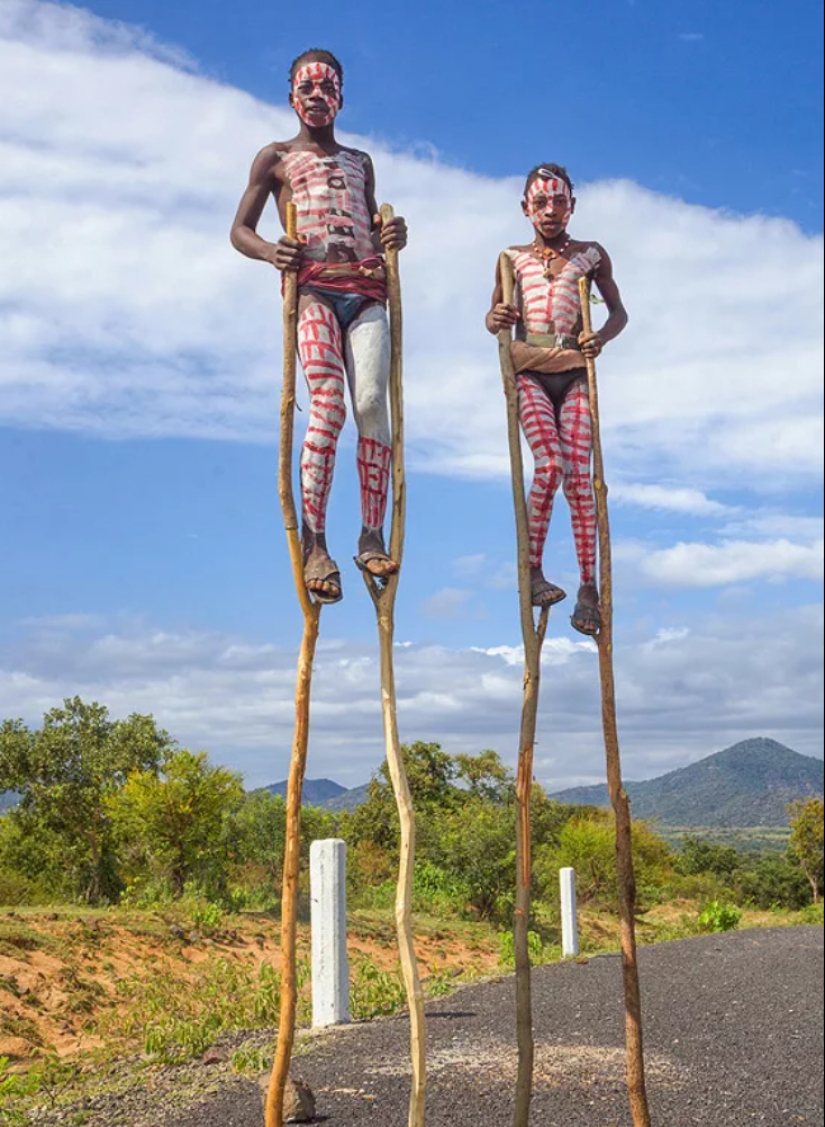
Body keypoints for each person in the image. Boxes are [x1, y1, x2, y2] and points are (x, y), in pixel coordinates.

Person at [231, 49, 407, 604]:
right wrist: (269, 251)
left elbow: (372, 225)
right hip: (312, 290)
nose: (316, 95)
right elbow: (239, 229)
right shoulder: (276, 157)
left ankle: (371, 533)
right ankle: (316, 542)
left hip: (367, 291)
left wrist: (391, 237)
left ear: (341, 97)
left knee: (373, 404)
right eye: (305, 87)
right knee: (327, 406)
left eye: (326, 86)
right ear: (291, 97)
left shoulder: (360, 162)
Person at [485, 164, 628, 636]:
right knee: (549, 467)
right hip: (530, 374)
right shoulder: (511, 259)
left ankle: (589, 586)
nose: (550, 211)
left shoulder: (590, 255)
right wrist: (498, 316)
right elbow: (495, 319)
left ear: (572, 204)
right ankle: (531, 570)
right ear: (526, 208)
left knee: (581, 484)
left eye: (558, 202)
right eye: (540, 203)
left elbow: (618, 312)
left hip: (574, 376)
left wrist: (599, 338)